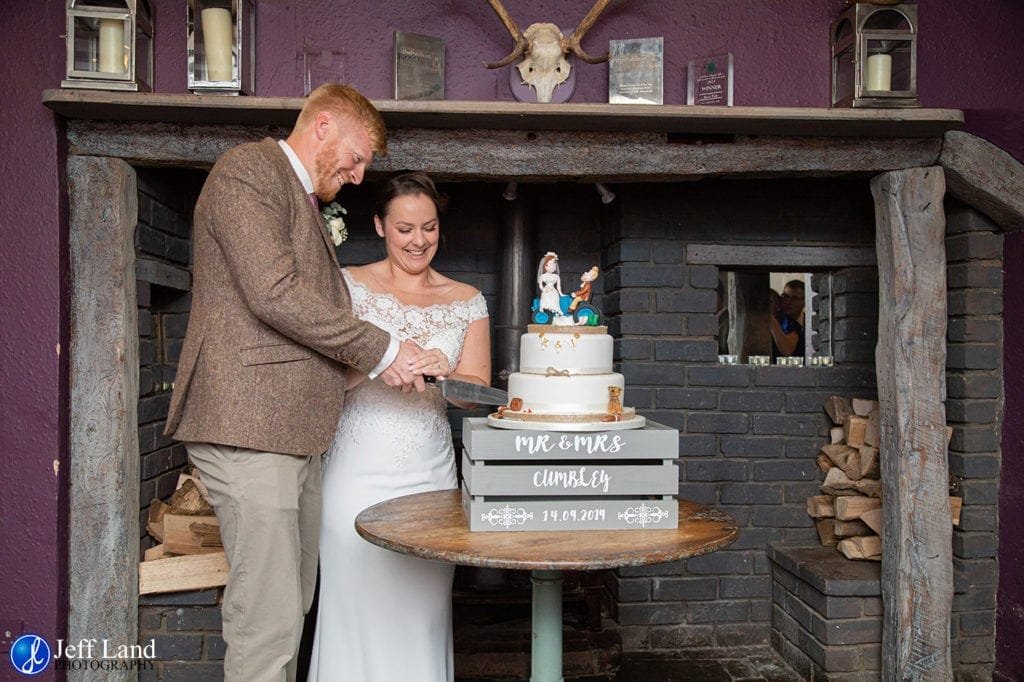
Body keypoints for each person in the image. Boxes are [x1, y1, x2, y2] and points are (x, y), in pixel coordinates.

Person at [164, 84, 429, 682]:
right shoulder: (248, 171)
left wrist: (397, 363)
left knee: (290, 610)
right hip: (249, 425)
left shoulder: (298, 197)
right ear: (324, 124)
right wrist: (384, 346)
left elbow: (302, 326)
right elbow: (273, 293)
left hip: (289, 436)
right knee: (268, 624)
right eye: (357, 157)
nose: (359, 177)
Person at [307, 172, 490, 682]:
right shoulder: (349, 285)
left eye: (428, 228)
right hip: (355, 472)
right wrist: (380, 361)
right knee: (354, 610)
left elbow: (477, 390)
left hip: (429, 476)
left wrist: (441, 371)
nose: (418, 241)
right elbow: (320, 377)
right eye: (405, 228)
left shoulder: (468, 299)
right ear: (380, 226)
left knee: (420, 615)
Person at [771, 279, 806, 359]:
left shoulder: (810, 323)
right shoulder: (777, 320)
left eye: (795, 298)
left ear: (804, 302)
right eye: (785, 296)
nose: (788, 301)